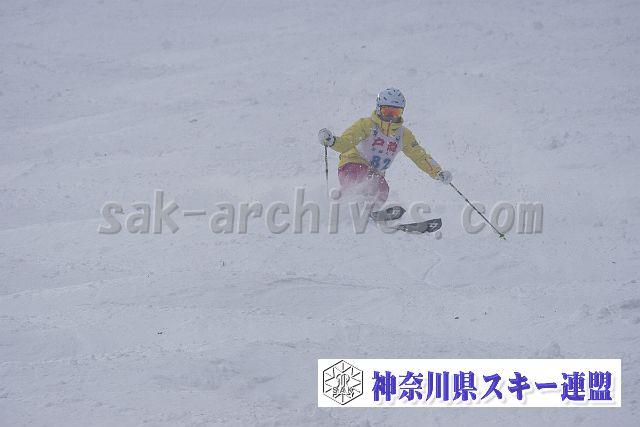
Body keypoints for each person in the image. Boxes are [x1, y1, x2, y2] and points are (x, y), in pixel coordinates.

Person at [318, 88, 452, 207]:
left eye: (396, 112)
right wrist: (332, 141)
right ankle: (349, 205)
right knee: (361, 177)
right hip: (352, 164)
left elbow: (420, 156)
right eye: (387, 111)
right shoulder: (366, 125)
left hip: (376, 173)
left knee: (383, 189)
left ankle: (370, 214)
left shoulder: (403, 135)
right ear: (378, 109)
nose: (391, 117)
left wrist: (437, 172)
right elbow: (346, 142)